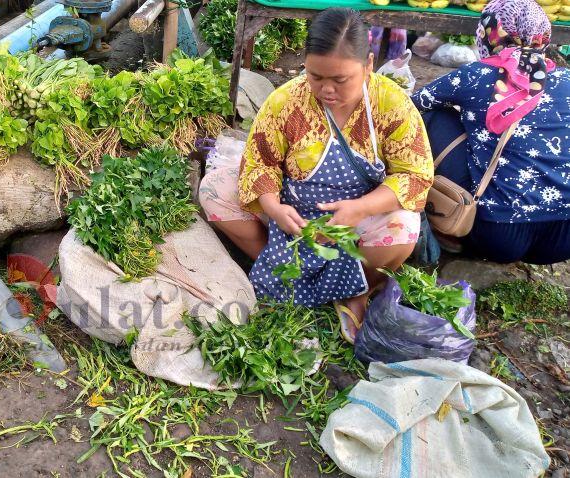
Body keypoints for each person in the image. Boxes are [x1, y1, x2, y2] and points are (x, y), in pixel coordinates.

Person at [198, 7, 434, 343]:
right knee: (213, 190)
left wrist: (360, 209)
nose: (326, 90)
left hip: (357, 222)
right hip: (293, 218)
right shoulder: (286, 102)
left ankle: (356, 290)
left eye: (340, 80)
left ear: (368, 65)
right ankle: (280, 269)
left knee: (403, 228)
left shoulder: (390, 103)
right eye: (315, 76)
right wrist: (274, 207)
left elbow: (414, 174)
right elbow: (259, 163)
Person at [414, 0, 570, 264]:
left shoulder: (475, 75)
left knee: (432, 116)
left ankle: (450, 225)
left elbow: (412, 105)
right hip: (562, 240)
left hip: (498, 235)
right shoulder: (566, 80)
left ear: (490, 31)